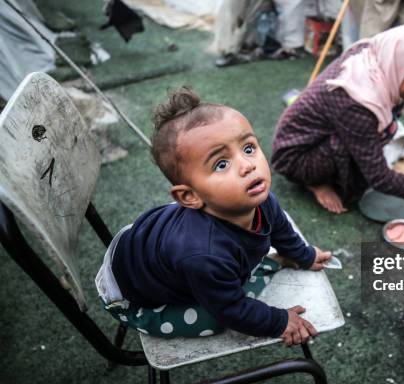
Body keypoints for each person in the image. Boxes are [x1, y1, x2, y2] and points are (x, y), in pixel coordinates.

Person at [95, 87, 331, 346]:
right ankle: (148, 312)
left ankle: (251, 271)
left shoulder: (261, 201)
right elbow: (231, 310)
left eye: (249, 148)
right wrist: (279, 320)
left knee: (225, 281)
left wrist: (303, 255)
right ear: (189, 197)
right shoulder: (204, 254)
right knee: (217, 318)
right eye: (221, 164)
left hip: (150, 247)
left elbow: (282, 230)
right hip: (129, 295)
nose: (247, 165)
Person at [271, 24, 404, 214]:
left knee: (365, 145)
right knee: (355, 162)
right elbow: (380, 179)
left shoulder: (376, 55)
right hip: (295, 157)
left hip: (317, 135)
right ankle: (314, 182)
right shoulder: (356, 102)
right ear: (397, 68)